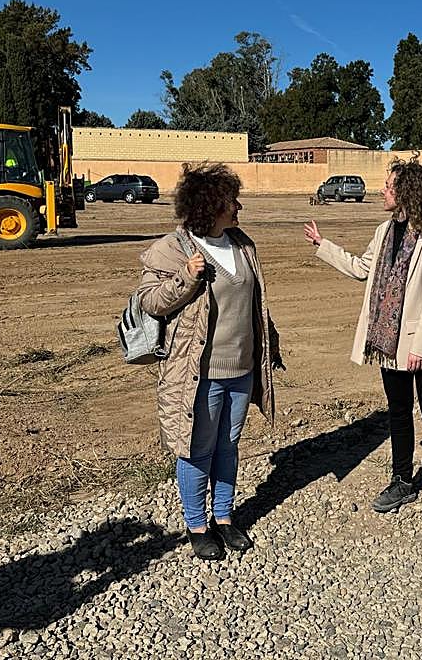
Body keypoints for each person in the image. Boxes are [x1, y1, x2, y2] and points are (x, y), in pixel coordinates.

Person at [137, 162, 283, 560]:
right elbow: (150, 301)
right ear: (210, 206)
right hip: (197, 373)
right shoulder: (172, 249)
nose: (238, 207)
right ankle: (196, 525)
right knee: (196, 449)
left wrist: (270, 343)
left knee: (228, 447)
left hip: (242, 368)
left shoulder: (242, 243)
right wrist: (186, 277)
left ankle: (223, 518)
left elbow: (254, 303)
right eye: (231, 201)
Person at [303, 159, 422, 522]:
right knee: (399, 413)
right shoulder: (384, 231)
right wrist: (323, 245)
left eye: (388, 186)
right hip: (388, 342)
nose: (381, 191)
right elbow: (362, 270)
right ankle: (402, 479)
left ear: (406, 192)